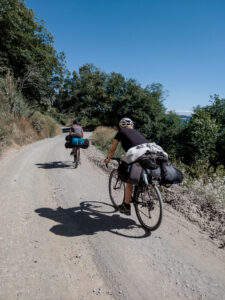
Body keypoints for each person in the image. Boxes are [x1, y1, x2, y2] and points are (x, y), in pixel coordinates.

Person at [104, 117, 149, 216]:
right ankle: (143, 191)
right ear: (132, 125)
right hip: (149, 154)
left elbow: (112, 149)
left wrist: (108, 159)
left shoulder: (121, 132)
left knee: (129, 178)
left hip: (137, 155)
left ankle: (127, 206)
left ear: (121, 126)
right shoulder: (136, 132)